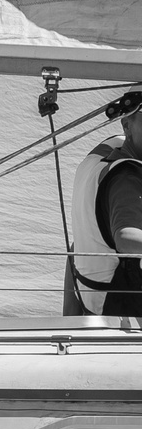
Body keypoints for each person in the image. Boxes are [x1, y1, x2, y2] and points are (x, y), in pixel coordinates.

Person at [67, 97, 142, 316]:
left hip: (91, 304)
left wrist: (69, 318)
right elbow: (126, 238)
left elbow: (75, 246)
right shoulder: (126, 179)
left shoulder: (101, 155)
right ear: (127, 125)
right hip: (118, 308)